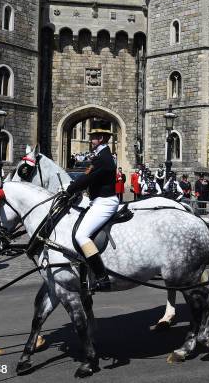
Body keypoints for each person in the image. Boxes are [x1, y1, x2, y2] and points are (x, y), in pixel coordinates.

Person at [65, 120, 119, 291]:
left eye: (94, 137)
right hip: (97, 200)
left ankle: (102, 277)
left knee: (81, 235)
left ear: (101, 138)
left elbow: (87, 178)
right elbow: (87, 175)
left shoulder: (104, 158)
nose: (91, 140)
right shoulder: (99, 156)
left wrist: (70, 189)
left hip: (105, 201)